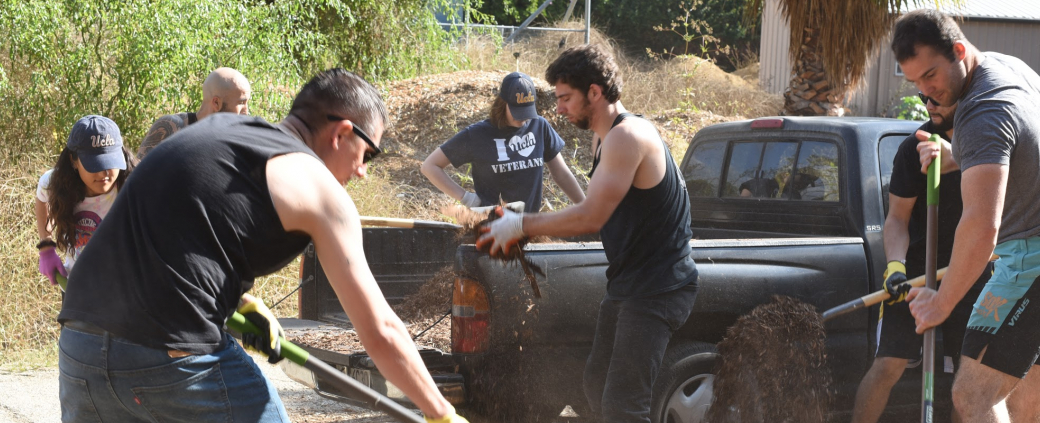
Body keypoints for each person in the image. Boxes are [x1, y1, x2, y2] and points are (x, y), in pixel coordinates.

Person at [57, 69, 464, 423]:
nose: (361, 172)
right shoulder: (319, 189)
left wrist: (239, 301)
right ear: (342, 133)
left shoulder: (213, 132)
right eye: (368, 155)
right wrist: (440, 412)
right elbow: (381, 332)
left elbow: (179, 228)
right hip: (170, 356)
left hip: (80, 346)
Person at [894, 10, 1040, 423]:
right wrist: (964, 159)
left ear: (958, 51)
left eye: (931, 75)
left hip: (1036, 258)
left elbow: (980, 227)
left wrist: (941, 302)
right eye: (914, 81)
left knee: (972, 395)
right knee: (1029, 394)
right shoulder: (1008, 66)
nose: (926, 92)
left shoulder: (980, 115)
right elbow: (1020, 145)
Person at [476, 44, 698, 423]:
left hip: (659, 287)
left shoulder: (628, 136)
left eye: (565, 98)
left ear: (594, 92)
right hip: (629, 283)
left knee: (623, 406)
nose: (559, 108)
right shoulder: (603, 138)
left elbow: (592, 217)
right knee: (595, 386)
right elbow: (595, 206)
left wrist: (522, 224)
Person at [850, 96, 992, 423]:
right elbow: (897, 219)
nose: (930, 104)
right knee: (888, 364)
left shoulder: (988, 146)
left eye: (939, 98)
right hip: (915, 273)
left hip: (973, 271)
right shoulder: (913, 149)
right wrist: (895, 268)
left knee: (969, 377)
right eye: (924, 98)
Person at [421, 72, 584, 212]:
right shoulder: (478, 134)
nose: (523, 118)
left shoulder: (539, 126)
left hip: (529, 226)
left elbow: (562, 174)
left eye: (527, 111)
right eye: (517, 112)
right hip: (491, 225)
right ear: (502, 103)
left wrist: (585, 207)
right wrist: (467, 199)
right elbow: (430, 166)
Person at [34, 115, 136, 287]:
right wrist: (46, 246)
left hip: (124, 289)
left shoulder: (134, 185)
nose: (104, 174)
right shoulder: (56, 183)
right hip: (77, 285)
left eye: (110, 163)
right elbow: (42, 198)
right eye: (95, 165)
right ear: (74, 161)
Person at [137, 67, 252, 159]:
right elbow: (137, 178)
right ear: (216, 102)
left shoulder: (239, 140)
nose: (246, 112)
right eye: (241, 102)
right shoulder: (171, 127)